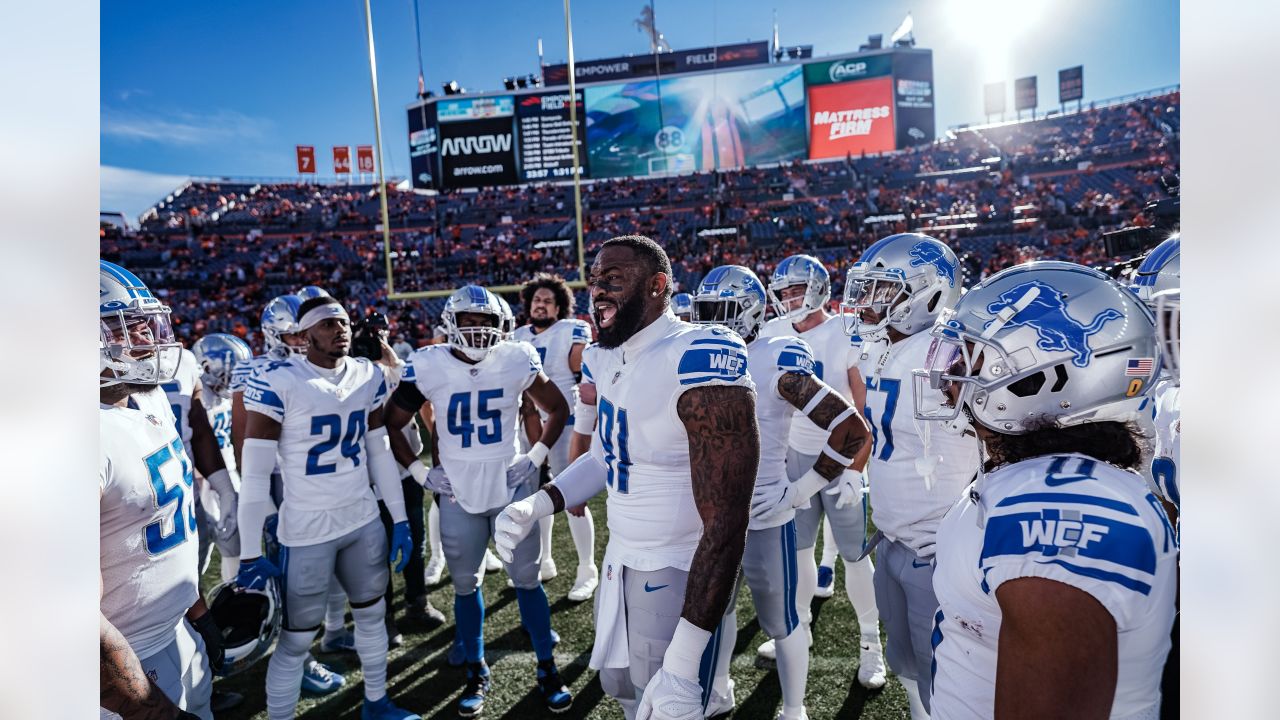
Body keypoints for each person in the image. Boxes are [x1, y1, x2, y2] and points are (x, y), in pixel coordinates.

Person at [491, 235, 760, 720]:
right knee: (621, 684)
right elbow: (605, 456)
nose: (599, 292)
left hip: (676, 563)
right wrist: (538, 502)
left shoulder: (699, 352)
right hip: (621, 554)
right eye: (596, 281)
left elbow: (727, 520)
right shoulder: (604, 355)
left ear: (658, 285)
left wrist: (682, 661)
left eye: (614, 280)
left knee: (665, 699)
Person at [915, 261, 1177, 719]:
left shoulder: (1062, 503)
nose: (951, 372)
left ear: (1039, 376)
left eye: (972, 355)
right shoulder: (1036, 475)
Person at [690, 265, 873, 720]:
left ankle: (794, 708)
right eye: (706, 312)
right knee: (715, 613)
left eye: (723, 311)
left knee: (783, 620)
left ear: (749, 312)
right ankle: (719, 689)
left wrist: (803, 489)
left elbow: (851, 428)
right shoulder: (686, 355)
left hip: (765, 512)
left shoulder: (778, 355)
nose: (712, 322)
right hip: (710, 518)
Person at [384, 285, 573, 717]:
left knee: (527, 580)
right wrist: (418, 470)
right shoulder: (429, 363)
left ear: (502, 326)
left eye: (486, 322)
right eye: (468, 321)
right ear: (451, 324)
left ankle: (547, 669)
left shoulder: (516, 357)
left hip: (510, 486)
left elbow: (558, 408)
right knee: (465, 584)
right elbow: (392, 422)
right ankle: (476, 669)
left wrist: (535, 457)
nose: (477, 330)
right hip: (457, 491)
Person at [237, 294, 420, 720]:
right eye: (326, 324)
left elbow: (378, 452)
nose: (339, 330)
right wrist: (248, 553)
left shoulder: (365, 374)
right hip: (306, 531)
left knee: (373, 618)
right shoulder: (278, 378)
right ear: (302, 336)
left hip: (361, 519)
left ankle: (376, 703)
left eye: (342, 322)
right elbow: (256, 475)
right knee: (297, 639)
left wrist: (399, 518)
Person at [841, 233, 981, 719]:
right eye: (867, 289)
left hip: (939, 546)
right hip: (893, 537)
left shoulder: (954, 355)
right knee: (905, 660)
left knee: (951, 676)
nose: (867, 303)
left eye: (883, 290)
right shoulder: (880, 346)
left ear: (930, 294)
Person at [758, 253, 886, 689]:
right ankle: (800, 630)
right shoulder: (773, 332)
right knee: (798, 553)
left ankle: (871, 643)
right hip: (795, 457)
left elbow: (863, 407)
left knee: (854, 556)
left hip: (841, 453)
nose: (791, 298)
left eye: (798, 289)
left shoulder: (844, 329)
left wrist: (856, 467)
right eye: (785, 291)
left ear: (817, 288)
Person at [100, 260, 214, 719]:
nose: (146, 337)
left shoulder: (147, 399)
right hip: (122, 670)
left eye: (145, 323)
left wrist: (198, 611)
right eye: (121, 326)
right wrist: (152, 711)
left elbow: (171, 526)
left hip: (177, 631)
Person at [228, 293, 348, 692]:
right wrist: (262, 502)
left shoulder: (320, 366)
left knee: (331, 566)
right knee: (291, 578)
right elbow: (243, 440)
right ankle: (298, 661)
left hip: (321, 482)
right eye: (292, 334)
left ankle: (332, 632)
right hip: (281, 483)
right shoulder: (254, 369)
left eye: (303, 333)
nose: (300, 341)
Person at [515, 272, 600, 601]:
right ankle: (544, 560)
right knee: (535, 493)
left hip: (565, 424)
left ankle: (587, 568)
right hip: (529, 424)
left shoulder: (571, 328)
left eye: (548, 300)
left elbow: (579, 364)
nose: (540, 304)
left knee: (573, 498)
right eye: (537, 299)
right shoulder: (517, 334)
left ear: (559, 305)